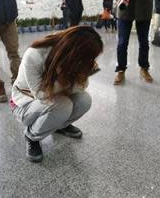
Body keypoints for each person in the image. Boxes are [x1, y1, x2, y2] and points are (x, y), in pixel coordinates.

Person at [11, 26, 103, 163]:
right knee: (63, 105)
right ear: (75, 53)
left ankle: (58, 125)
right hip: (25, 103)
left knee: (85, 100)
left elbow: (82, 88)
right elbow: (40, 94)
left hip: (53, 98)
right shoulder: (35, 55)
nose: (90, 62)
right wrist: (70, 79)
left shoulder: (73, 60)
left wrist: (80, 77)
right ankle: (31, 136)